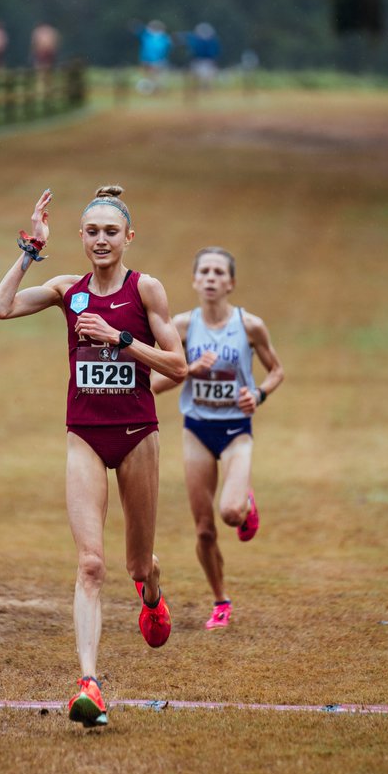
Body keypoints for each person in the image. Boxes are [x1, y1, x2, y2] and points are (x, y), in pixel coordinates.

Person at [0, 186, 187, 728]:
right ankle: (89, 686)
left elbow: (178, 365)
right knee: (91, 564)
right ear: (80, 236)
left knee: (136, 565)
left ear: (128, 237)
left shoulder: (145, 289)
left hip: (137, 436)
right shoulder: (66, 290)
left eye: (111, 232)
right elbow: (0, 307)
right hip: (84, 436)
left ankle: (152, 594)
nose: (101, 240)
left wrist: (120, 338)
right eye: (92, 232)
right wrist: (31, 251)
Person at [152, 248, 284, 630]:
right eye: (205, 272)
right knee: (204, 529)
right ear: (195, 281)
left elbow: (277, 371)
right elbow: (155, 384)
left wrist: (258, 394)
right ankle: (221, 601)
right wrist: (189, 369)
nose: (211, 278)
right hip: (197, 428)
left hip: (236, 430)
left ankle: (245, 503)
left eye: (219, 272)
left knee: (229, 513)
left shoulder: (250, 326)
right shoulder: (181, 327)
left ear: (231, 283)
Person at [130, 20, 172, 94]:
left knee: (153, 75)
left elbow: (164, 49)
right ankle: (151, 88)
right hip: (148, 59)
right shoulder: (149, 36)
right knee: (149, 75)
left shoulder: (162, 38)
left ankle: (153, 89)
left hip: (156, 60)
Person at [179, 23, 221, 88]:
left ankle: (204, 85)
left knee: (205, 75)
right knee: (201, 75)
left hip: (205, 60)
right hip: (201, 60)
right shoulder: (211, 41)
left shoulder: (198, 40)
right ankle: (203, 86)